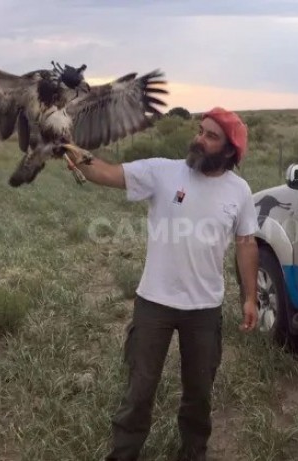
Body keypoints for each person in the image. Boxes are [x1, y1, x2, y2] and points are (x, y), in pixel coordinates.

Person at [66, 106, 260, 461]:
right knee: (139, 390)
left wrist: (251, 297)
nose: (199, 139)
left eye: (211, 136)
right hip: (153, 303)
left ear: (230, 150)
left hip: (204, 309)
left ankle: (192, 453)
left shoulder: (240, 191)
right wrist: (70, 149)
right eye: (200, 130)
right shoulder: (164, 172)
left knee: (199, 394)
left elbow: (247, 243)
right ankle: (123, 454)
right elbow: (107, 173)